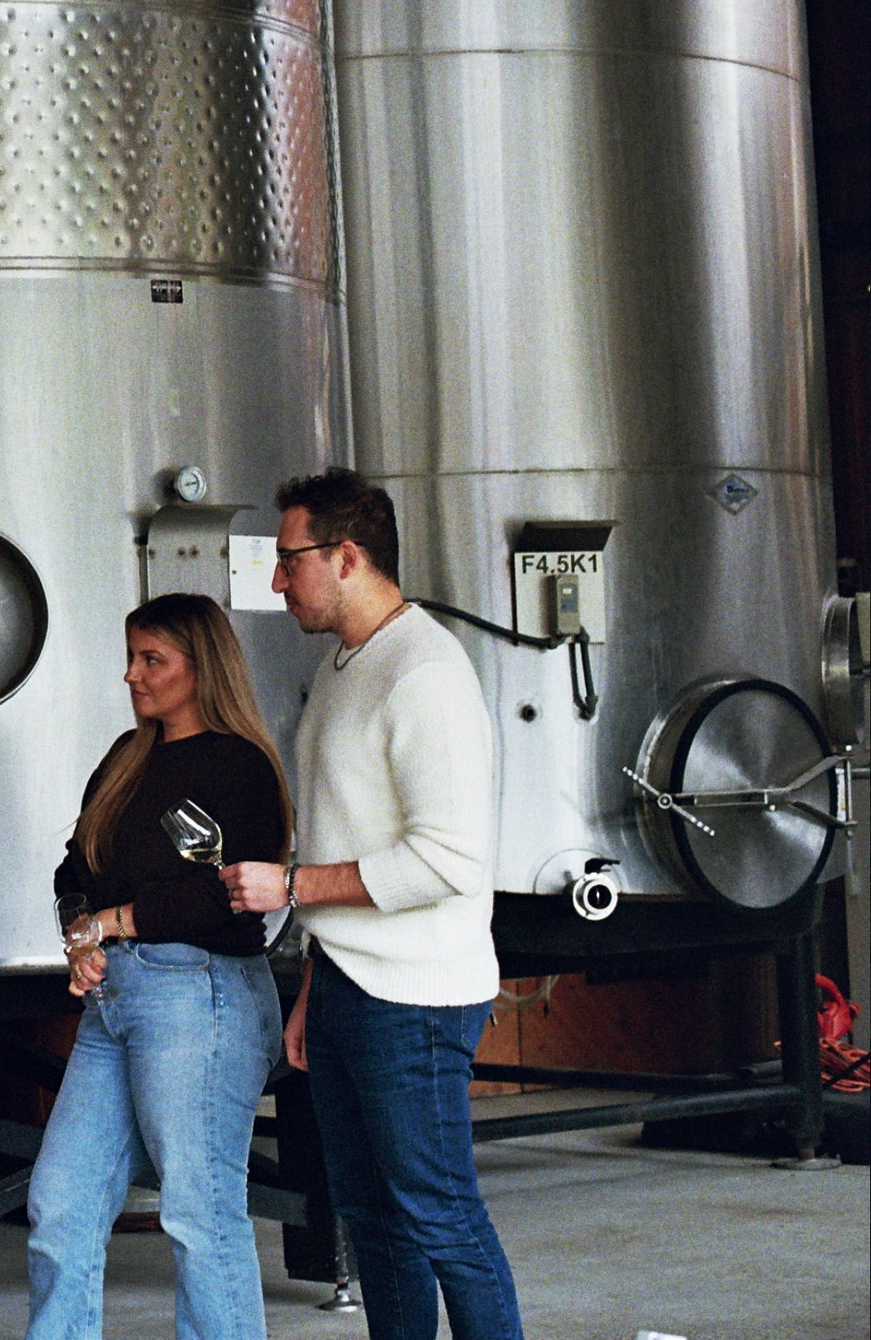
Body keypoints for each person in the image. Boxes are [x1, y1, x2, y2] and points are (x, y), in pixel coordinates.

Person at [221, 468, 521, 1340]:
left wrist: (293, 889)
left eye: (290, 560)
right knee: (374, 1218)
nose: (277, 581)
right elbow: (347, 828)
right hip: (353, 984)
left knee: (440, 1215)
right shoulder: (351, 661)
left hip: (418, 997)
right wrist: (319, 978)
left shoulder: (424, 673)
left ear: (346, 556)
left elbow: (451, 858)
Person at [25, 593, 290, 1340]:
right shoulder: (125, 758)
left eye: (152, 660)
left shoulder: (241, 767)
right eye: (132, 656)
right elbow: (73, 868)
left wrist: (120, 920)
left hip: (198, 996)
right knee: (61, 1202)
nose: (131, 675)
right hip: (116, 1000)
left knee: (199, 1213)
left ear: (202, 668)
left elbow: (231, 897)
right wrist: (80, 936)